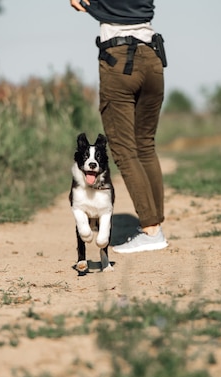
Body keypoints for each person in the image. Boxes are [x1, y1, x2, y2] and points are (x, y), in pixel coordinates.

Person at [70, 0, 168, 254]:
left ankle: (151, 230)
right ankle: (155, 226)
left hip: (120, 58)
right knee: (145, 145)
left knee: (124, 150)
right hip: (153, 55)